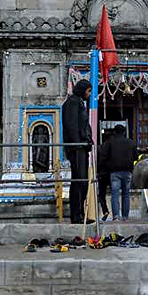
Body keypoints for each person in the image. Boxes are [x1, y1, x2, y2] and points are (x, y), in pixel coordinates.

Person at [62, 79, 93, 224]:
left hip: (82, 146)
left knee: (83, 181)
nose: (89, 94)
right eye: (88, 90)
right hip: (77, 147)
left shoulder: (79, 102)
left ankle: (81, 213)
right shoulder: (72, 103)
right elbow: (72, 125)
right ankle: (76, 215)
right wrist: (78, 143)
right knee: (79, 180)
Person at [99, 124, 137, 220]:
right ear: (124, 132)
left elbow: (103, 157)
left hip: (114, 172)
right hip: (127, 171)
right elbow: (135, 157)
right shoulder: (131, 143)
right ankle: (125, 217)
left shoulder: (109, 142)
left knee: (115, 194)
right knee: (126, 194)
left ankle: (116, 216)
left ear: (114, 132)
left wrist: (100, 169)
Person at [97, 132, 111, 221]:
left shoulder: (100, 148)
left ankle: (105, 211)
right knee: (115, 193)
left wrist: (97, 171)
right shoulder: (113, 148)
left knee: (102, 195)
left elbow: (99, 161)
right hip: (112, 173)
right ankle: (116, 213)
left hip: (102, 174)